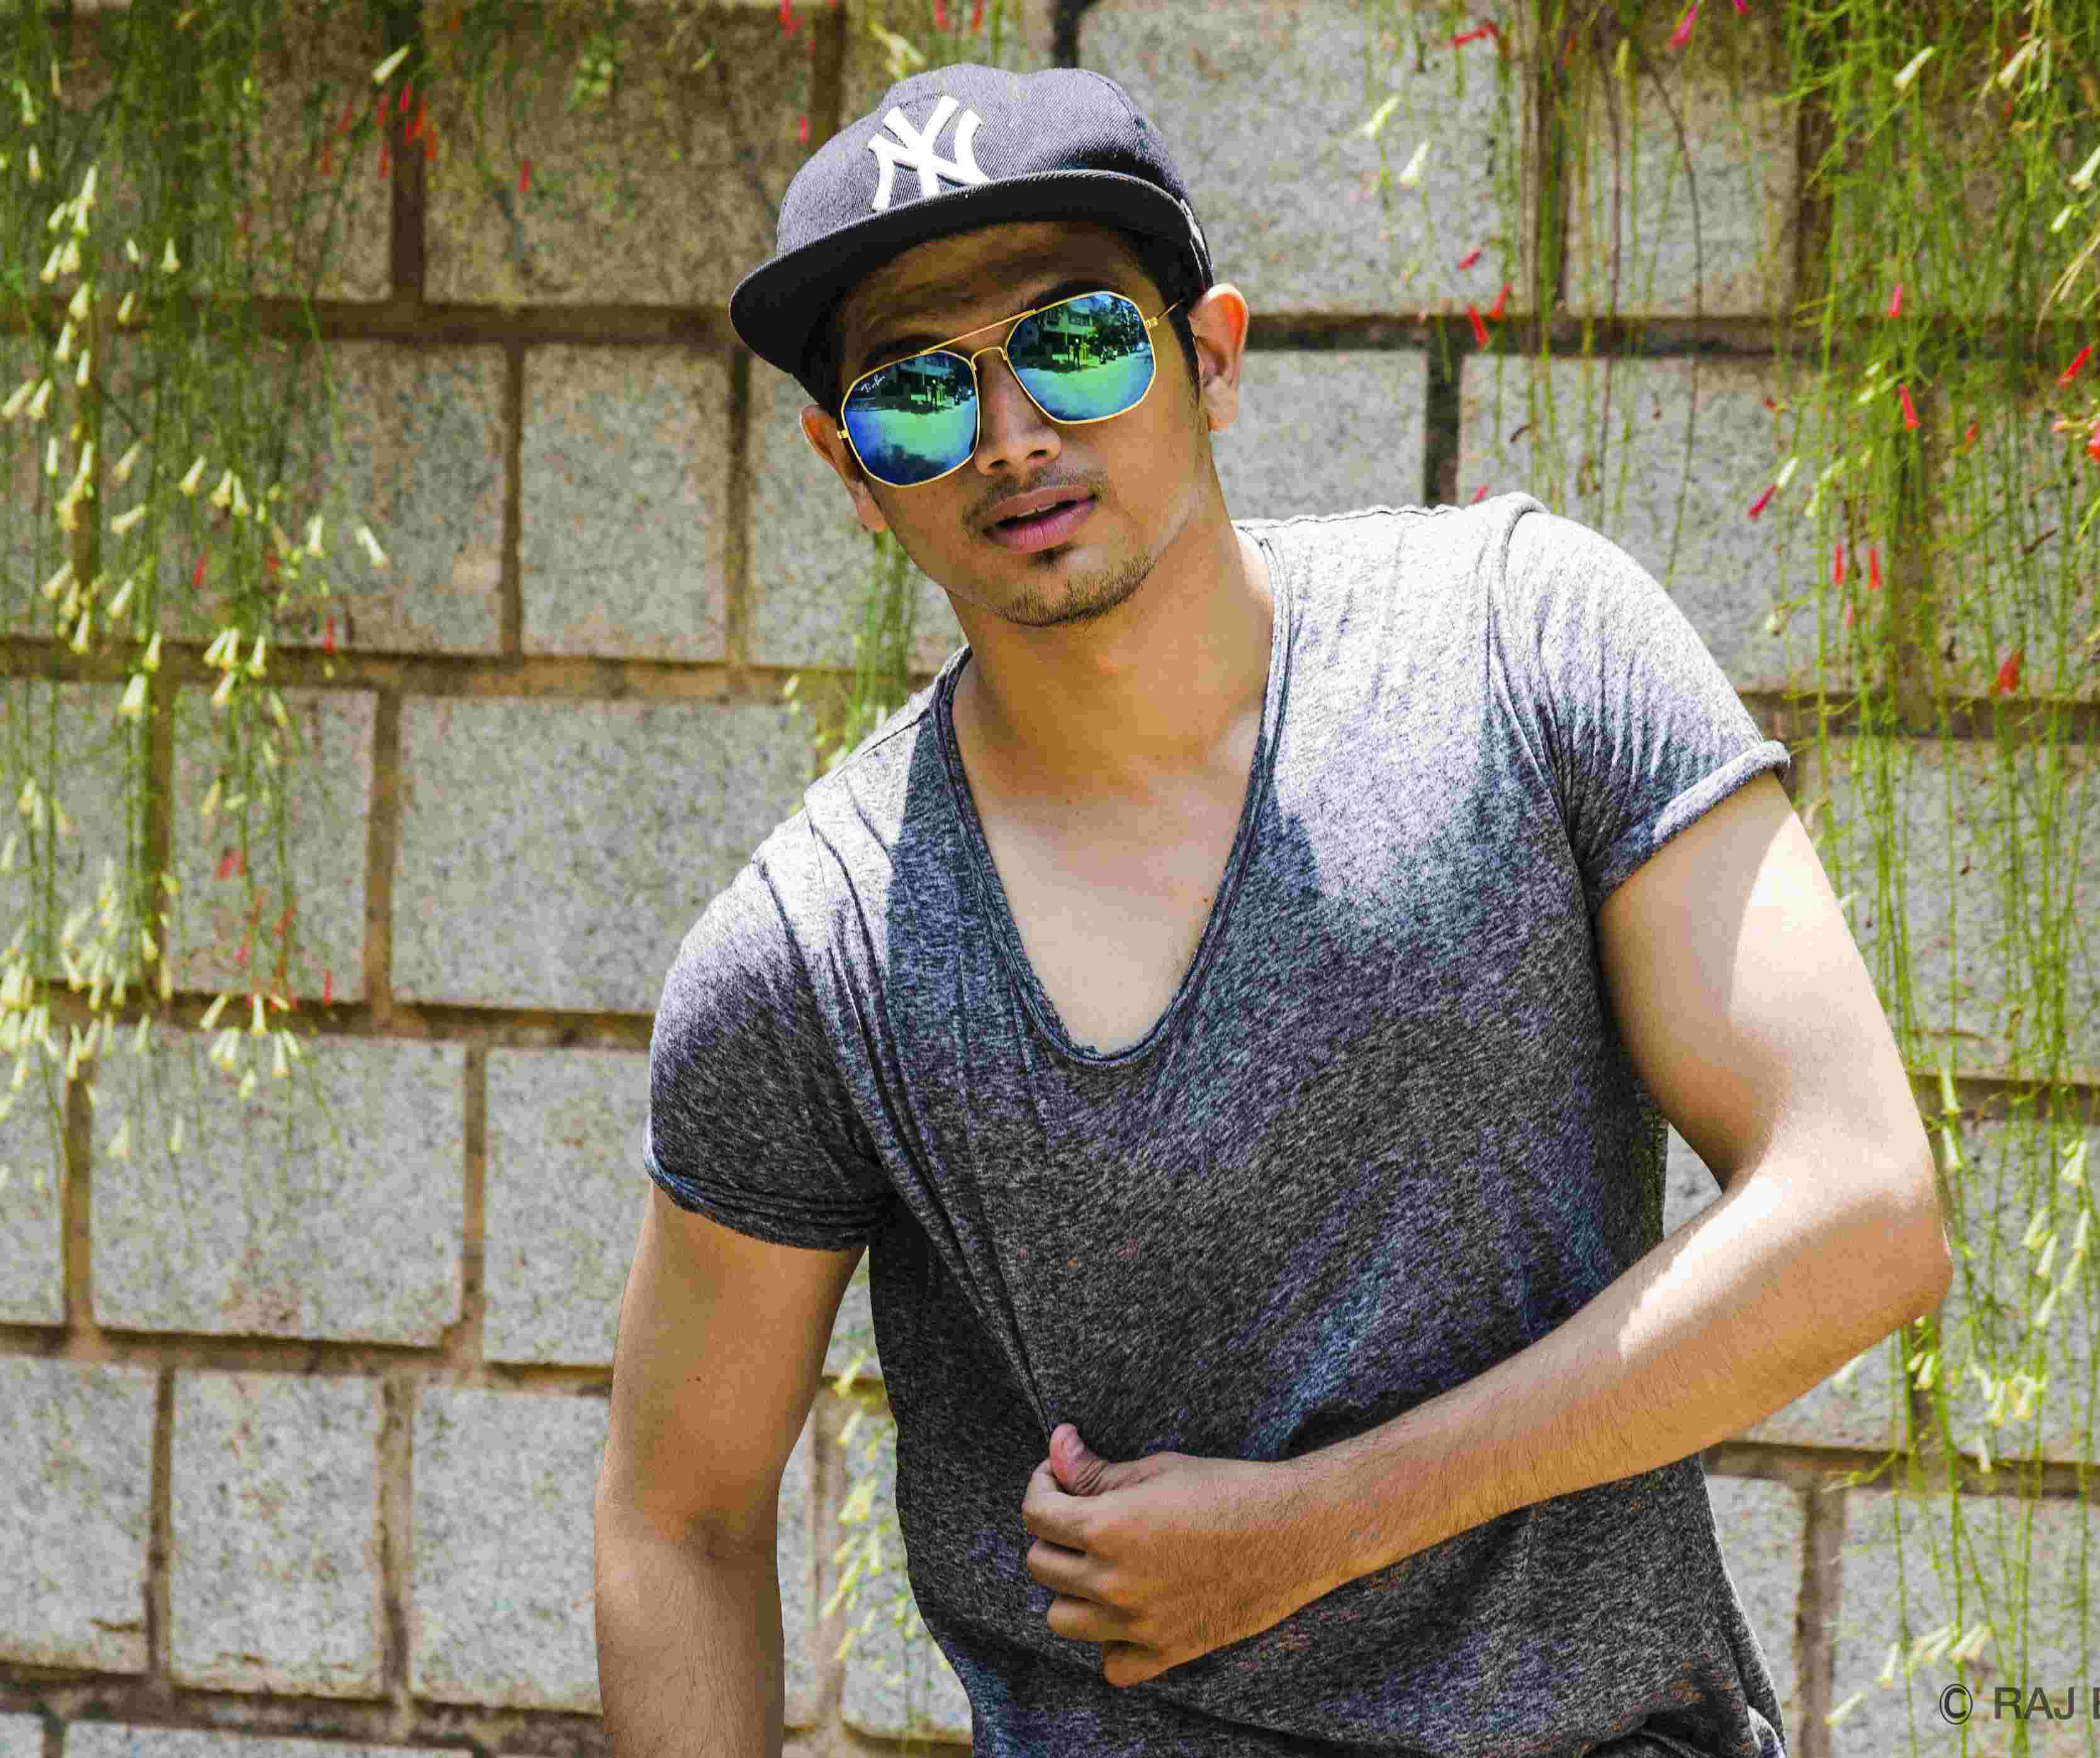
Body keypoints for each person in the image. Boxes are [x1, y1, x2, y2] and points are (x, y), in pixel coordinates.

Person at [595, 60, 1949, 1758]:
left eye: (1077, 340)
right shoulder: (818, 953)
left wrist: (1318, 1526)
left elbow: (1864, 1203)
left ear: (1213, 355)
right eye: (917, 395)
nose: (1012, 436)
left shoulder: (1524, 649)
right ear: (849, 469)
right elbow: (681, 1517)